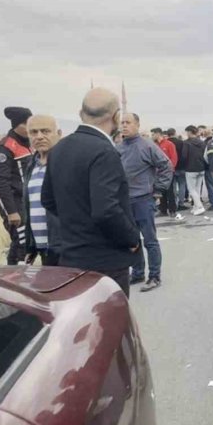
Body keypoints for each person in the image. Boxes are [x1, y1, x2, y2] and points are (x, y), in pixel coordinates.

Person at [41, 88, 140, 296]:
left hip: (71, 259)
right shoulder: (104, 151)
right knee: (110, 324)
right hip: (106, 263)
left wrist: (76, 222)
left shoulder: (59, 149)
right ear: (115, 117)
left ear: (81, 114)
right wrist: (131, 239)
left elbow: (48, 200)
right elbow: (106, 210)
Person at [119, 114, 173, 291]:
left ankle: (155, 275)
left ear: (137, 125)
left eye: (128, 123)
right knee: (132, 240)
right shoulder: (117, 148)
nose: (124, 126)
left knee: (150, 240)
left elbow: (166, 166)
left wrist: (158, 190)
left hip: (143, 200)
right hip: (125, 202)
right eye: (122, 123)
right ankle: (138, 272)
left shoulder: (147, 145)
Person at [0, 106, 33, 264]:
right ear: (18, 125)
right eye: (27, 124)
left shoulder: (28, 143)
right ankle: (14, 278)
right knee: (21, 241)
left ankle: (17, 275)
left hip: (26, 201)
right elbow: (1, 182)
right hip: (13, 201)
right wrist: (11, 211)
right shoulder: (5, 147)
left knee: (26, 243)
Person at [24, 114, 62, 266]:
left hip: (65, 248)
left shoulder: (65, 163)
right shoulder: (31, 166)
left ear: (58, 134)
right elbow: (29, 207)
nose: (39, 137)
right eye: (33, 132)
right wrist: (31, 245)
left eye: (45, 131)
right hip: (43, 248)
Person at [151, 127, 181, 219]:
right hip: (158, 172)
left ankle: (172, 210)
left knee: (170, 192)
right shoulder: (154, 145)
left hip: (168, 172)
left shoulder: (169, 144)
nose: (152, 136)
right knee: (161, 191)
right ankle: (163, 210)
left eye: (153, 134)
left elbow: (174, 158)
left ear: (158, 134)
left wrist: (171, 169)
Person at [180, 125, 207, 215]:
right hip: (201, 168)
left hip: (190, 168)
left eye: (187, 132)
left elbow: (184, 156)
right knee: (197, 189)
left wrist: (183, 166)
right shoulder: (202, 142)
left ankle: (199, 207)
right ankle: (195, 207)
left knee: (191, 189)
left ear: (189, 132)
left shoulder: (186, 143)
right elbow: (205, 155)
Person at [167, 128, 188, 209]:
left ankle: (174, 202)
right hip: (181, 167)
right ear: (175, 133)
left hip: (170, 167)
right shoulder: (181, 142)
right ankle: (181, 203)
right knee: (182, 184)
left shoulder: (166, 143)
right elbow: (184, 155)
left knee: (173, 186)